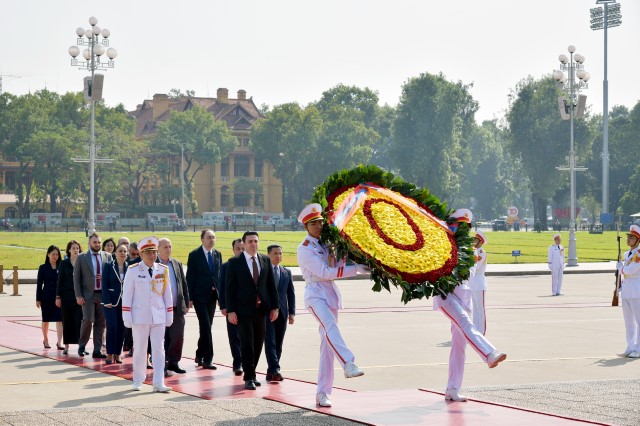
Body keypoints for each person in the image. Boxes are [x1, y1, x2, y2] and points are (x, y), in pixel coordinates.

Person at [296, 204, 369, 407]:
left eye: (320, 222)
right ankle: (348, 363)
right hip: (315, 295)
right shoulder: (304, 249)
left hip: (330, 295)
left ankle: (322, 393)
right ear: (306, 226)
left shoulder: (325, 245)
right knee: (330, 326)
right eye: (313, 223)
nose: (318, 226)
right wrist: (355, 270)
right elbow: (325, 272)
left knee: (327, 347)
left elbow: (335, 266)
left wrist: (355, 260)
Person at [435, 209, 506, 402]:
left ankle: (453, 388)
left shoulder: (470, 250)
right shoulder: (443, 243)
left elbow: (471, 273)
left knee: (459, 346)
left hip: (463, 296)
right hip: (445, 295)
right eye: (459, 225)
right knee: (466, 324)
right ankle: (489, 353)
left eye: (466, 226)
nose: (463, 230)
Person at [226, 231, 279, 390]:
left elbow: (271, 286)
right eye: (250, 241)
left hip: (261, 310)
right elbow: (229, 289)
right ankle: (249, 377)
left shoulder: (265, 260)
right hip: (243, 310)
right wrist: (231, 310)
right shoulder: (235, 262)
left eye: (256, 241)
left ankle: (252, 372)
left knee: (258, 342)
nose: (253, 244)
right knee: (247, 343)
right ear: (244, 244)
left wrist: (275, 307)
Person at [122, 236, 173, 392]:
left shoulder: (163, 270)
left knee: (159, 349)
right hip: (140, 316)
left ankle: (158, 382)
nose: (152, 256)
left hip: (158, 315)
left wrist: (169, 314)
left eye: (154, 252)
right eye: (148, 253)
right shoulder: (133, 270)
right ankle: (138, 379)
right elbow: (127, 294)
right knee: (140, 349)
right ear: (141, 254)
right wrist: (127, 316)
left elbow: (167, 294)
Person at [186, 229, 222, 369]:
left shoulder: (217, 254)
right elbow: (190, 277)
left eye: (213, 237)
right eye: (209, 237)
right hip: (199, 296)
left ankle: (199, 353)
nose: (211, 240)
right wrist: (190, 297)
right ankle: (208, 359)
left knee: (206, 327)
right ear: (202, 239)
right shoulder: (194, 255)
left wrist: (221, 296)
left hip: (213, 297)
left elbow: (219, 276)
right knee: (206, 326)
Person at [74, 232, 112, 358]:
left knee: (101, 323)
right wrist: (78, 295)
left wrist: (105, 277)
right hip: (87, 295)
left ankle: (97, 350)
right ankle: (82, 346)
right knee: (88, 320)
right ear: (90, 243)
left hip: (102, 295)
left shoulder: (108, 256)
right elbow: (77, 278)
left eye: (99, 242)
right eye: (95, 242)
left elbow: (112, 276)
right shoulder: (82, 257)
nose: (97, 244)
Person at [158, 237, 190, 374]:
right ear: (158, 249)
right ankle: (161, 364)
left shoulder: (176, 263)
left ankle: (173, 362)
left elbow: (183, 284)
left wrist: (187, 302)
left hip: (177, 308)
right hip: (160, 308)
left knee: (178, 335)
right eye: (165, 247)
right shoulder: (153, 264)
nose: (168, 249)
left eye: (170, 246)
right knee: (162, 337)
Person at [265, 244, 295, 382]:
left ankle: (271, 370)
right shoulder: (263, 271)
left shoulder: (286, 272)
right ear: (269, 255)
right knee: (270, 341)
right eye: (275, 253)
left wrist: (292, 313)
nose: (278, 256)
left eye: (280, 253)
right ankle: (276, 369)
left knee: (278, 343)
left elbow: (291, 293)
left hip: (282, 312)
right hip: (266, 312)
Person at [219, 238, 245, 376]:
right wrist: (224, 306)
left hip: (248, 307)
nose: (240, 251)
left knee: (248, 337)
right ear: (233, 250)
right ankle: (238, 363)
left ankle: (248, 363)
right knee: (234, 336)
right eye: (238, 249)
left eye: (242, 248)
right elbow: (222, 287)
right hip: (232, 307)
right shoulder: (226, 266)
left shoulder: (252, 264)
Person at [102, 242, 128, 364]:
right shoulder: (108, 266)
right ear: (115, 253)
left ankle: (118, 354)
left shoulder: (130, 267)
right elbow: (104, 284)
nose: (123, 253)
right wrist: (106, 300)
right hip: (111, 302)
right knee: (112, 327)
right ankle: (109, 353)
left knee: (122, 328)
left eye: (125, 251)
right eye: (120, 251)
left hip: (125, 303)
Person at [616, 225, 640, 358]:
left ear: (638, 240)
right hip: (627, 289)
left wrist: (621, 269)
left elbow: (632, 270)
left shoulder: (639, 254)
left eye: (632, 237)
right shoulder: (627, 254)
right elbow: (623, 272)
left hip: (637, 289)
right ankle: (630, 346)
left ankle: (638, 348)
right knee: (628, 321)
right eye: (628, 237)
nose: (629, 239)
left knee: (639, 321)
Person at [56, 240, 83, 355]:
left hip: (79, 297)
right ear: (69, 250)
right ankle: (66, 346)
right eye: (73, 248)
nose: (76, 250)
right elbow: (60, 281)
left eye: (77, 248)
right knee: (66, 321)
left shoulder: (82, 262)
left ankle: (81, 346)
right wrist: (58, 296)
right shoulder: (64, 263)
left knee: (80, 321)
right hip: (66, 297)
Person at [37, 245, 63, 350]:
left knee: (59, 320)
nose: (55, 256)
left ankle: (59, 342)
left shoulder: (61, 266)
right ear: (48, 254)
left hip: (59, 297)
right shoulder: (43, 267)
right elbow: (39, 284)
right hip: (46, 297)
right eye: (53, 254)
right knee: (45, 319)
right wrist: (38, 299)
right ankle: (46, 339)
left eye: (57, 254)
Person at [468, 231, 488, 335]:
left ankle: (482, 332)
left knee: (481, 309)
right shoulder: (473, 251)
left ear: (480, 241)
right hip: (472, 282)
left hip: (479, 282)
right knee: (475, 309)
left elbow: (476, 266)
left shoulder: (482, 253)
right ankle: (476, 331)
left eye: (475, 239)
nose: (473, 241)